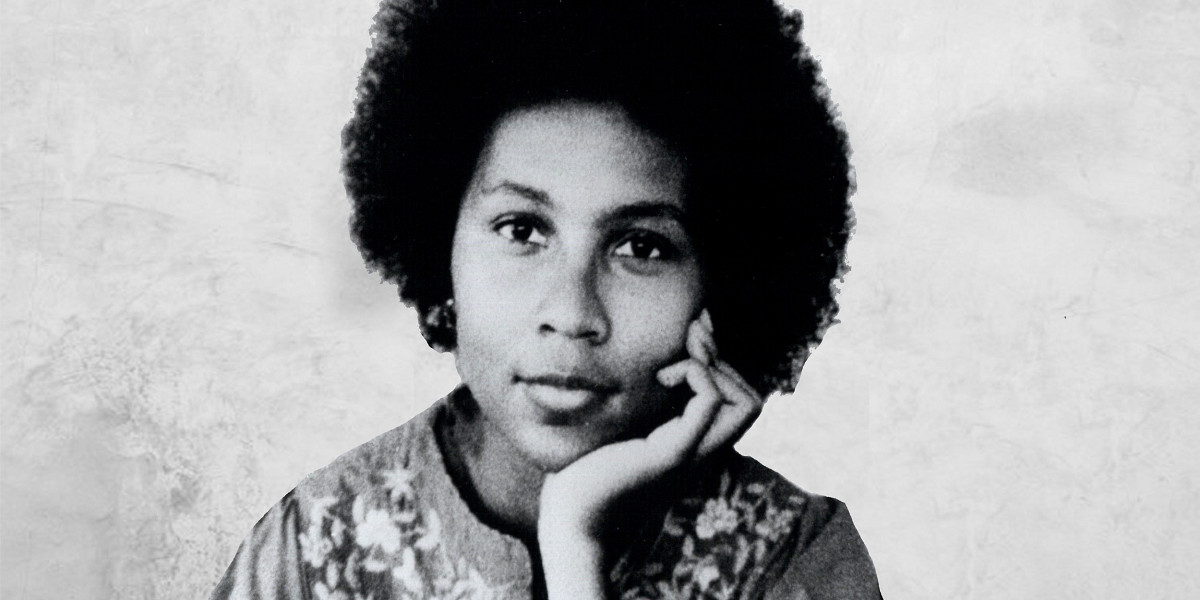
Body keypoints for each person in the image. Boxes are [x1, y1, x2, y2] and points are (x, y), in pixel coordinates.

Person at [211, 0, 882, 598]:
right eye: (522, 230)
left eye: (641, 246)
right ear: (439, 249)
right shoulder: (312, 550)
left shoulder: (793, 559)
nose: (571, 313)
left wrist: (572, 540)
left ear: (724, 282)